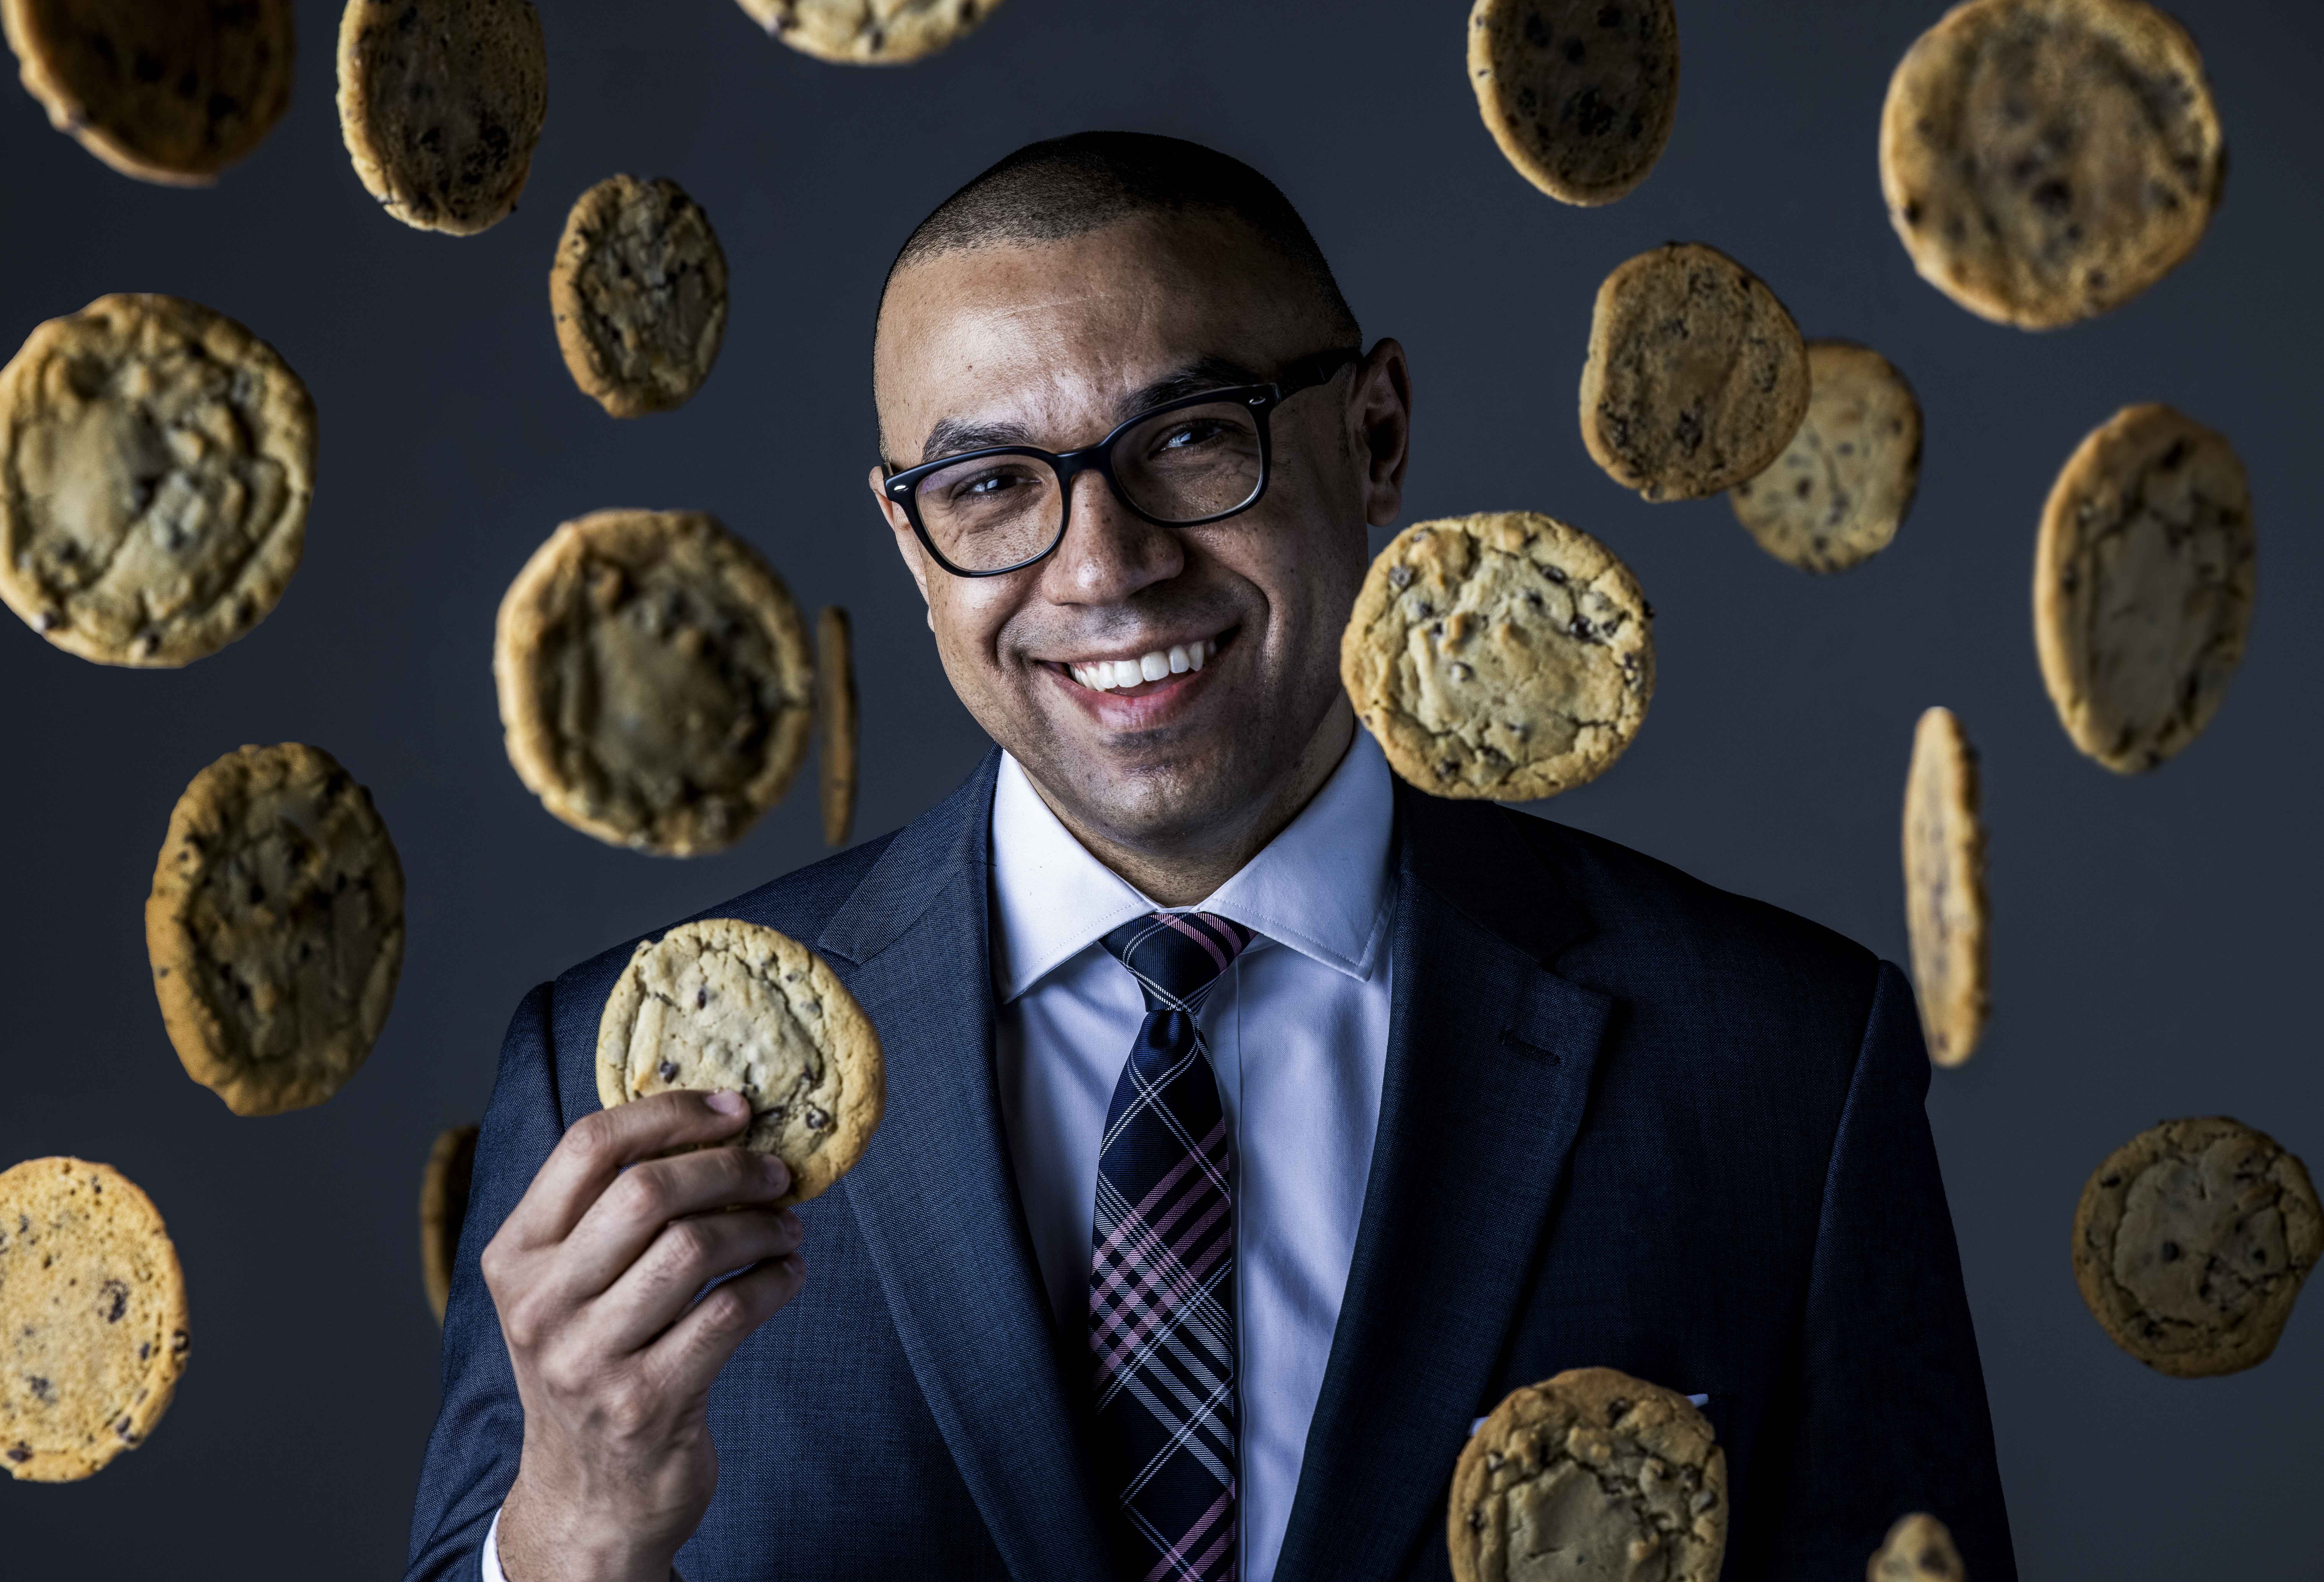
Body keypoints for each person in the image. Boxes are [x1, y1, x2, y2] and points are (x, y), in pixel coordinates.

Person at [405, 132, 2016, 1582]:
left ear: (1375, 437)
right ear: (911, 541)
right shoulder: (610, 1081)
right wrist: (569, 1528)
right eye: (988, 486)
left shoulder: (1782, 1063)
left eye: (1189, 437)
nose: (1103, 566)